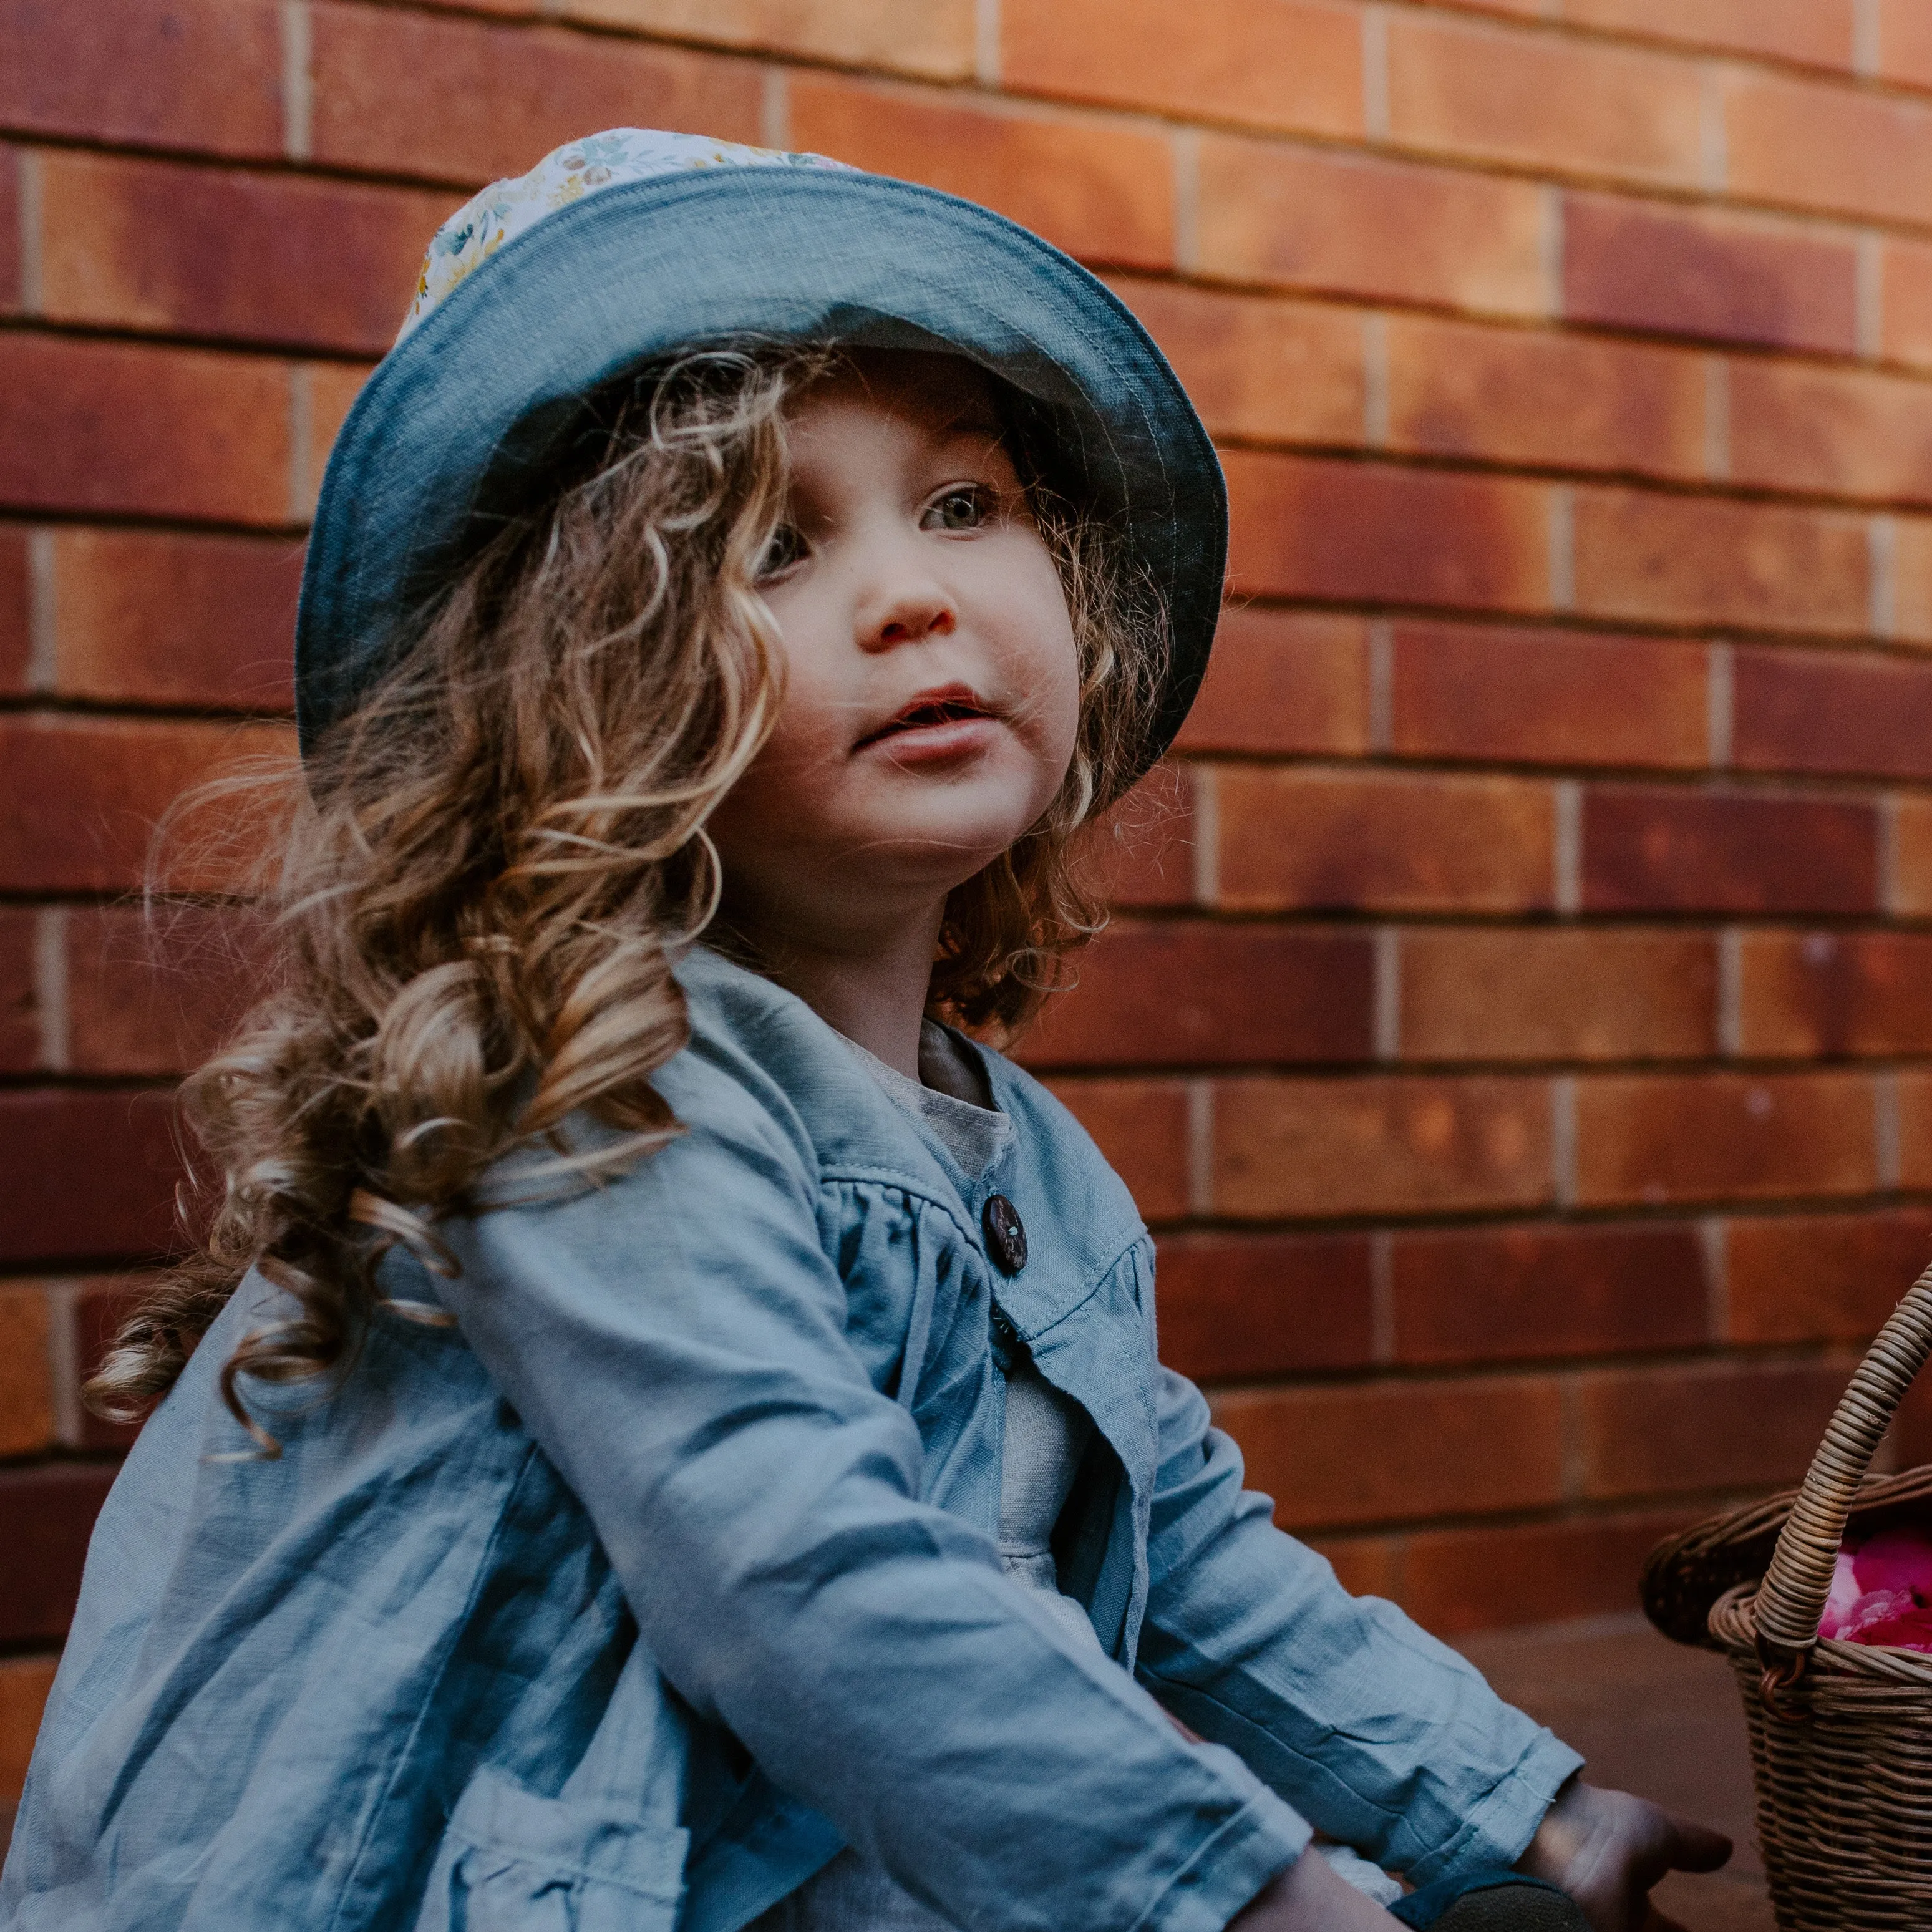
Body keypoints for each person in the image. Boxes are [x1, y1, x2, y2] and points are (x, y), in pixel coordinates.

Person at [0, 130, 1730, 1932]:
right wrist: (1229, 1886)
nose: (912, 593)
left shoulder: (1016, 1156)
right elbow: (808, 1582)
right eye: (771, 544)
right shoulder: (581, 1090)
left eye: (963, 505)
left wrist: (1519, 1800)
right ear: (579, 704)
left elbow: (1192, 1555)